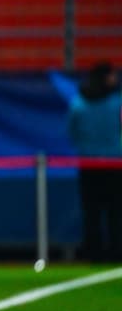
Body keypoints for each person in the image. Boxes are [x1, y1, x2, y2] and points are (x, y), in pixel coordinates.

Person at [67, 61, 122, 262]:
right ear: (105, 78)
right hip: (114, 165)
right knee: (115, 212)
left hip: (89, 165)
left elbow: (72, 133)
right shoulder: (117, 102)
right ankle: (116, 251)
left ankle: (94, 252)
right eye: (112, 75)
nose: (115, 79)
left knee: (92, 212)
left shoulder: (78, 103)